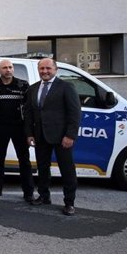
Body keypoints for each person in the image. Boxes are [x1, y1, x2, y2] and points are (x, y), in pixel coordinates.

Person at [24, 58, 82, 216]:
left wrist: (70, 135)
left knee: (67, 170)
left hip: (62, 137)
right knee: (42, 168)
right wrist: (29, 133)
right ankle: (44, 196)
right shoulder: (33, 89)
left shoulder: (66, 87)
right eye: (42, 68)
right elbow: (29, 113)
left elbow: (75, 113)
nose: (45, 71)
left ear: (55, 69)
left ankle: (69, 202)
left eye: (48, 68)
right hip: (40, 136)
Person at [0, 59, 35, 201]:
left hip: (19, 127)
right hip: (0, 127)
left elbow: (29, 109)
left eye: (10, 67)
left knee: (24, 160)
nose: (8, 70)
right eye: (4, 68)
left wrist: (29, 130)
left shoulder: (23, 85)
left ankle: (28, 192)